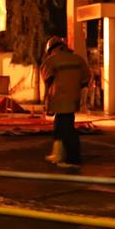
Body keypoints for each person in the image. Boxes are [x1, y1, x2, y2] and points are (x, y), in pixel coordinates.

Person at [40, 36, 89, 168]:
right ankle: (58, 153)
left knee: (66, 130)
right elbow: (85, 79)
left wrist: (46, 101)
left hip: (59, 99)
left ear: (50, 49)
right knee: (60, 127)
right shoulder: (78, 59)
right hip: (73, 100)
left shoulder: (50, 61)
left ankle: (73, 160)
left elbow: (48, 81)